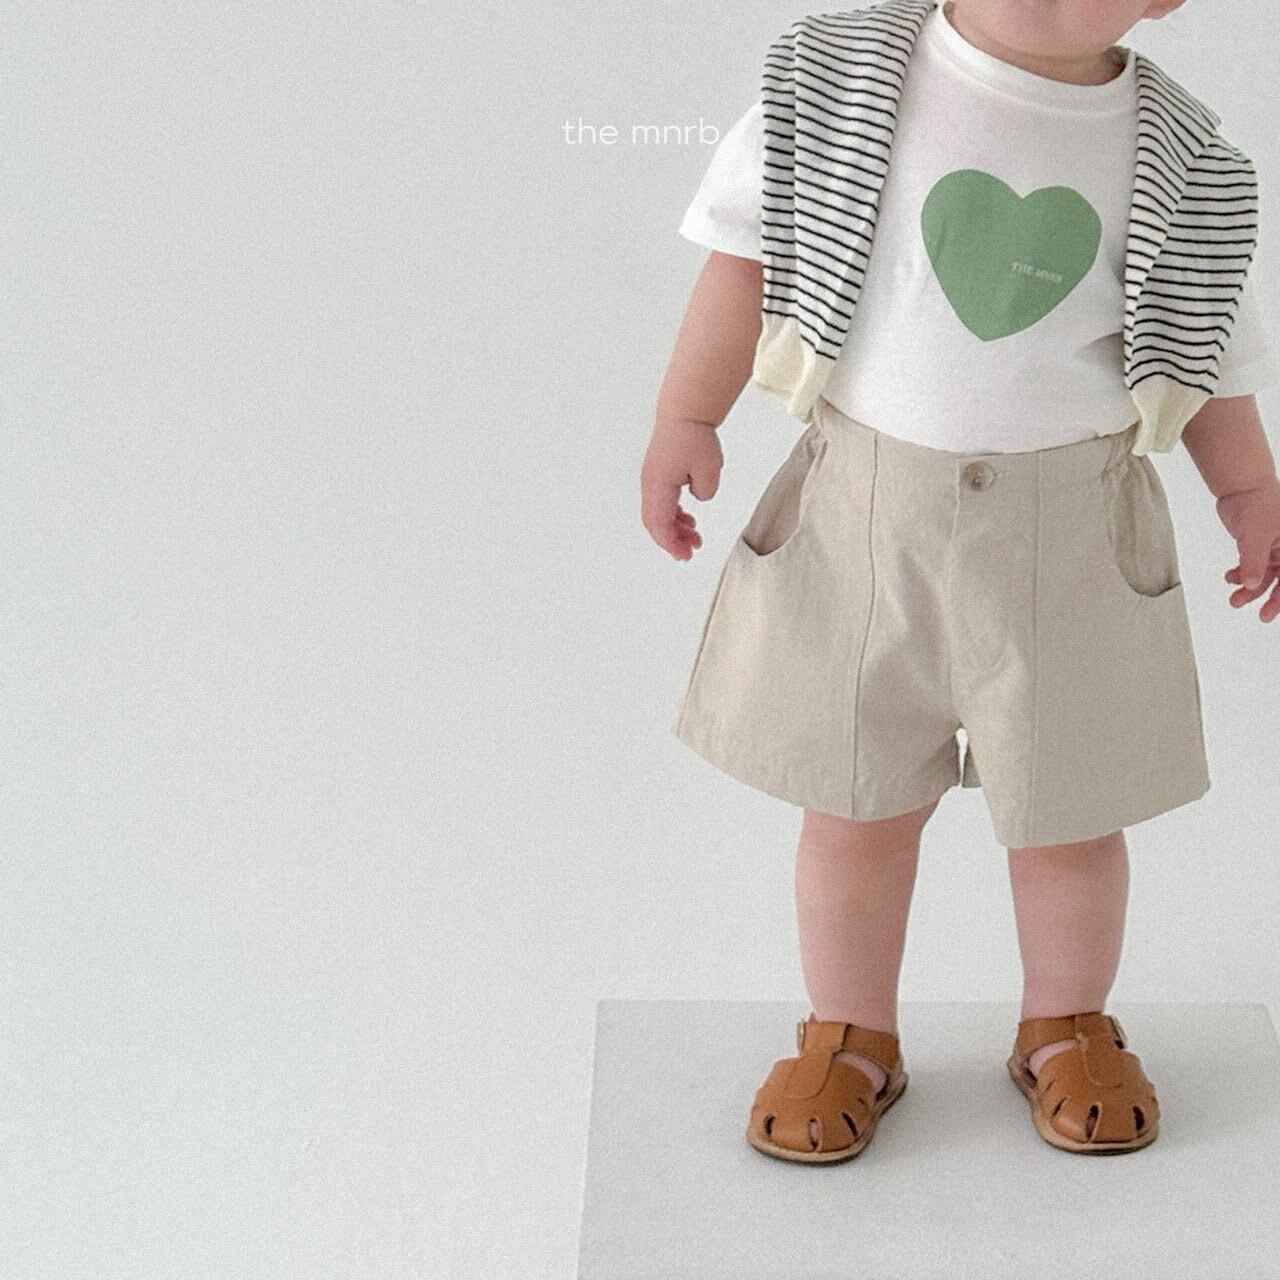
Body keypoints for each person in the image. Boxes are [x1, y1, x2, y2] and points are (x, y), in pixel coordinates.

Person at [641, 0, 1279, 1160]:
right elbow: (744, 259)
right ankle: (848, 1031)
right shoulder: (836, 83)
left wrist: (1247, 493)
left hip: (1070, 534)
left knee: (1071, 816)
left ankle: (1065, 1019)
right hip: (863, 517)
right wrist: (686, 415)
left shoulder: (1185, 164)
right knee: (851, 804)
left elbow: (1205, 356)